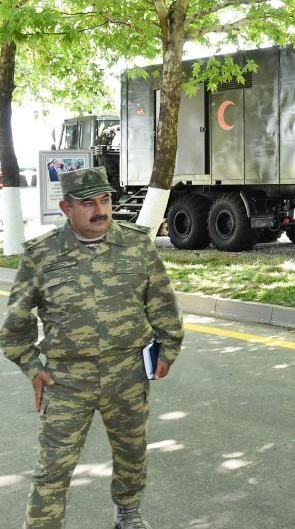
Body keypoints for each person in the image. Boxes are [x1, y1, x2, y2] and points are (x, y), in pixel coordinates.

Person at [0, 166, 184, 529]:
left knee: (132, 453)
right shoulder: (42, 254)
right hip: (67, 381)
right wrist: (32, 368)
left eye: (105, 200)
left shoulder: (136, 244)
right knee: (54, 467)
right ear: (67, 208)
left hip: (128, 374)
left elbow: (162, 300)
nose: (100, 210)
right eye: (88, 203)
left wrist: (168, 348)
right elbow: (14, 328)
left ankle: (128, 515)